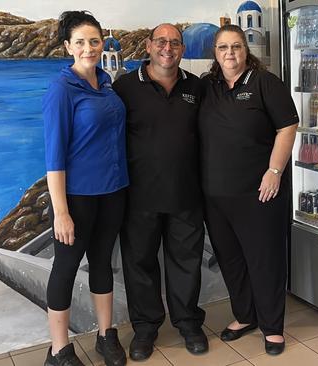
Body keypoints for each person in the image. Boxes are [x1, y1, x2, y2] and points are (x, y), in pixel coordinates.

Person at [198, 24, 298, 356]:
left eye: (236, 46)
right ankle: (245, 316)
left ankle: (272, 327)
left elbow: (287, 126)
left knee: (265, 259)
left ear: (246, 50)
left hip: (259, 193)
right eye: (224, 47)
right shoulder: (206, 87)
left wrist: (274, 171)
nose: (230, 53)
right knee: (231, 259)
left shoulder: (264, 83)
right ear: (215, 52)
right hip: (215, 195)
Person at [112, 23, 208, 361]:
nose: (168, 48)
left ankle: (188, 323)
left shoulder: (196, 87)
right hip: (139, 196)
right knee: (139, 264)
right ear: (149, 46)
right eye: (162, 41)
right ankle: (145, 328)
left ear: (182, 49)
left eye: (175, 43)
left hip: (187, 194)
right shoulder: (124, 87)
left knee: (186, 263)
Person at [42, 10, 128, 366]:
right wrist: (61, 212)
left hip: (113, 192)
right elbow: (54, 157)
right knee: (65, 267)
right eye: (80, 42)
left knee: (102, 263)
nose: (89, 48)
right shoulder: (62, 90)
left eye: (94, 41)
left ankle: (106, 335)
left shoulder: (106, 83)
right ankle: (59, 350)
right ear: (68, 47)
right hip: (77, 197)